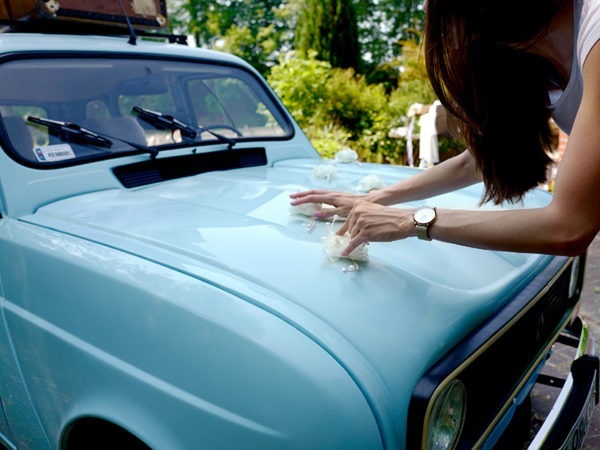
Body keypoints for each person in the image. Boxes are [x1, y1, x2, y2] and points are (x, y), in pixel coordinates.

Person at [290, 0, 600, 258]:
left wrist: (412, 221)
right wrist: (375, 199)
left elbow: (568, 227)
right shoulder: (528, 60)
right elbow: (476, 162)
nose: (425, 8)